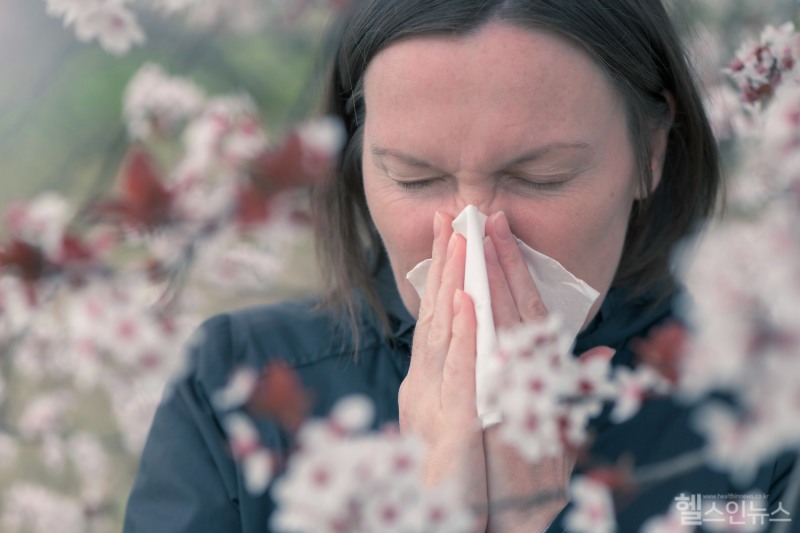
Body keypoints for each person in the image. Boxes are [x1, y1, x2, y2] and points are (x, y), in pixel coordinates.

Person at [124, 1, 796, 531]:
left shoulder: (772, 398)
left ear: (651, 150)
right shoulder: (234, 386)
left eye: (542, 176)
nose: (471, 237)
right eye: (414, 178)